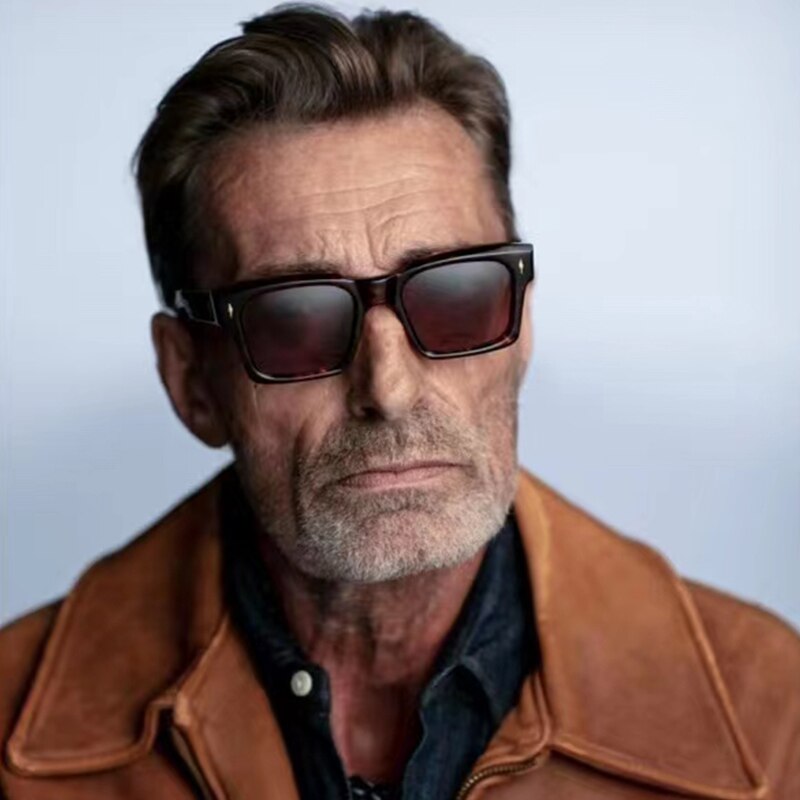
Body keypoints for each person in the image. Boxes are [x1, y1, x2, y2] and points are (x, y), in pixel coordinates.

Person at [1, 5, 798, 799]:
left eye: (454, 297)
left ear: (520, 327)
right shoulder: (10, 727)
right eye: (295, 319)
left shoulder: (773, 716)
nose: (388, 388)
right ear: (191, 382)